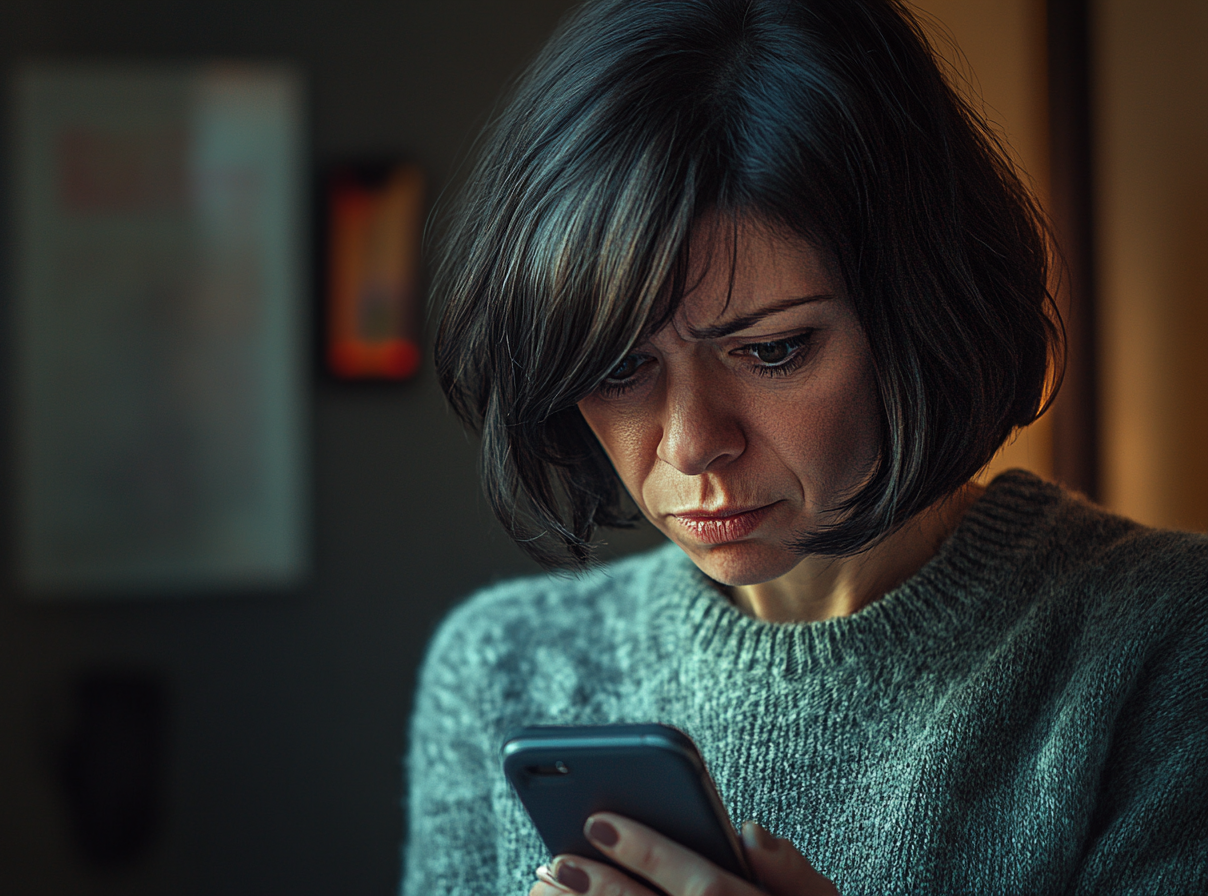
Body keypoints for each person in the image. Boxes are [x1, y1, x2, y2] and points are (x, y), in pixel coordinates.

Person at [403, 0, 1208, 893]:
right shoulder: (502, 667)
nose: (692, 444)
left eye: (772, 350)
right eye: (619, 367)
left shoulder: (1163, 648)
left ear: (921, 312)